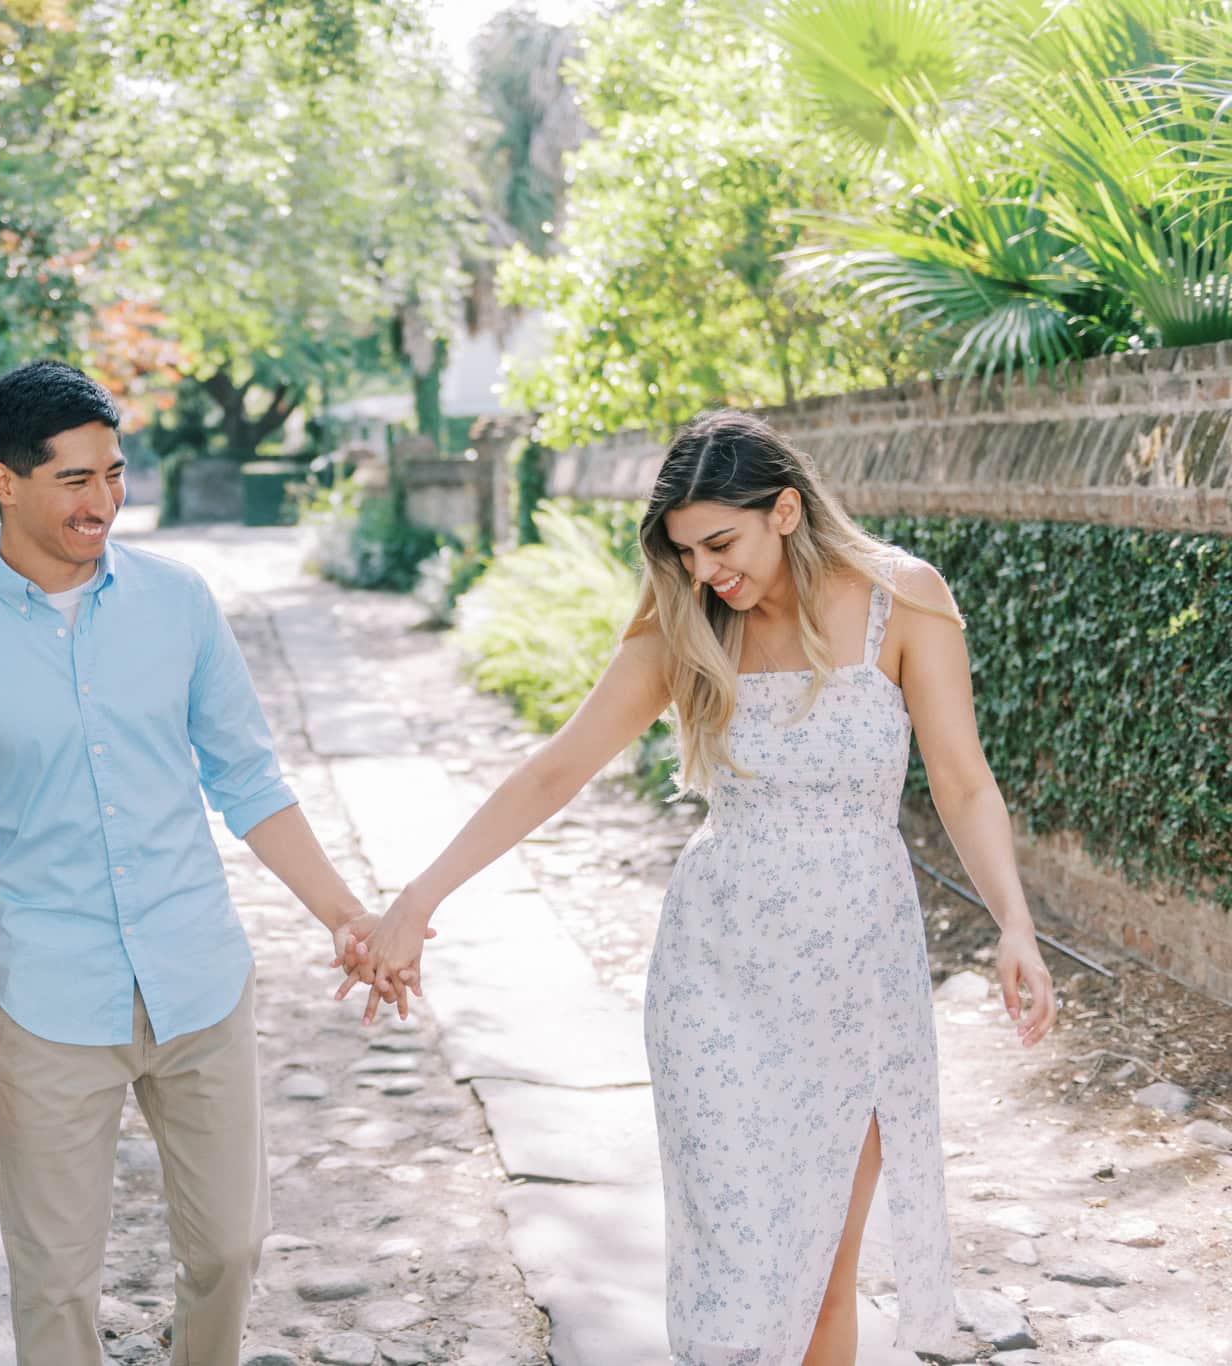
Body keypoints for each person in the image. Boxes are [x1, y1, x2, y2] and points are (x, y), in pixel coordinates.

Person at [347, 409, 1058, 1365]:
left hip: (858, 980)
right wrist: (416, 901)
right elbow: (555, 772)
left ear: (789, 510)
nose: (705, 571)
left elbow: (964, 781)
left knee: (821, 1270)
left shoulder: (904, 600)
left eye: (720, 543)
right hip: (714, 982)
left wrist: (1014, 920)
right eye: (685, 552)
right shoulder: (688, 626)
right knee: (732, 1260)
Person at [0, 360, 402, 1366]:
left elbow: (248, 780)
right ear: (5, 480)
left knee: (230, 1248)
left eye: (113, 473)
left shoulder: (178, 604)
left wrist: (343, 913)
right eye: (74, 479)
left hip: (197, 977)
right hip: (52, 1004)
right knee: (54, 1281)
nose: (103, 500)